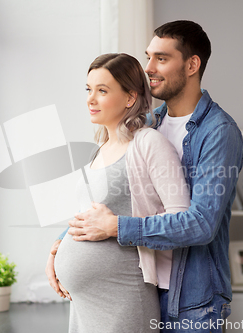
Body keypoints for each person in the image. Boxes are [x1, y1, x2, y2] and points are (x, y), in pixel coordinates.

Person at [49, 20, 243, 333]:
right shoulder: (148, 124)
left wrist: (116, 227)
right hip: (145, 284)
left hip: (191, 301)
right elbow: (111, 201)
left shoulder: (218, 133)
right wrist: (60, 246)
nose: (149, 68)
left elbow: (201, 224)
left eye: (162, 58)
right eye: (148, 56)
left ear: (192, 64)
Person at [49, 53, 191, 333]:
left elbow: (181, 218)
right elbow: (87, 217)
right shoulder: (99, 147)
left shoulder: (149, 143)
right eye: (89, 89)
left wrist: (116, 227)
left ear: (129, 98)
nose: (90, 99)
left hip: (123, 298)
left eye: (102, 91)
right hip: (83, 305)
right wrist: (55, 252)